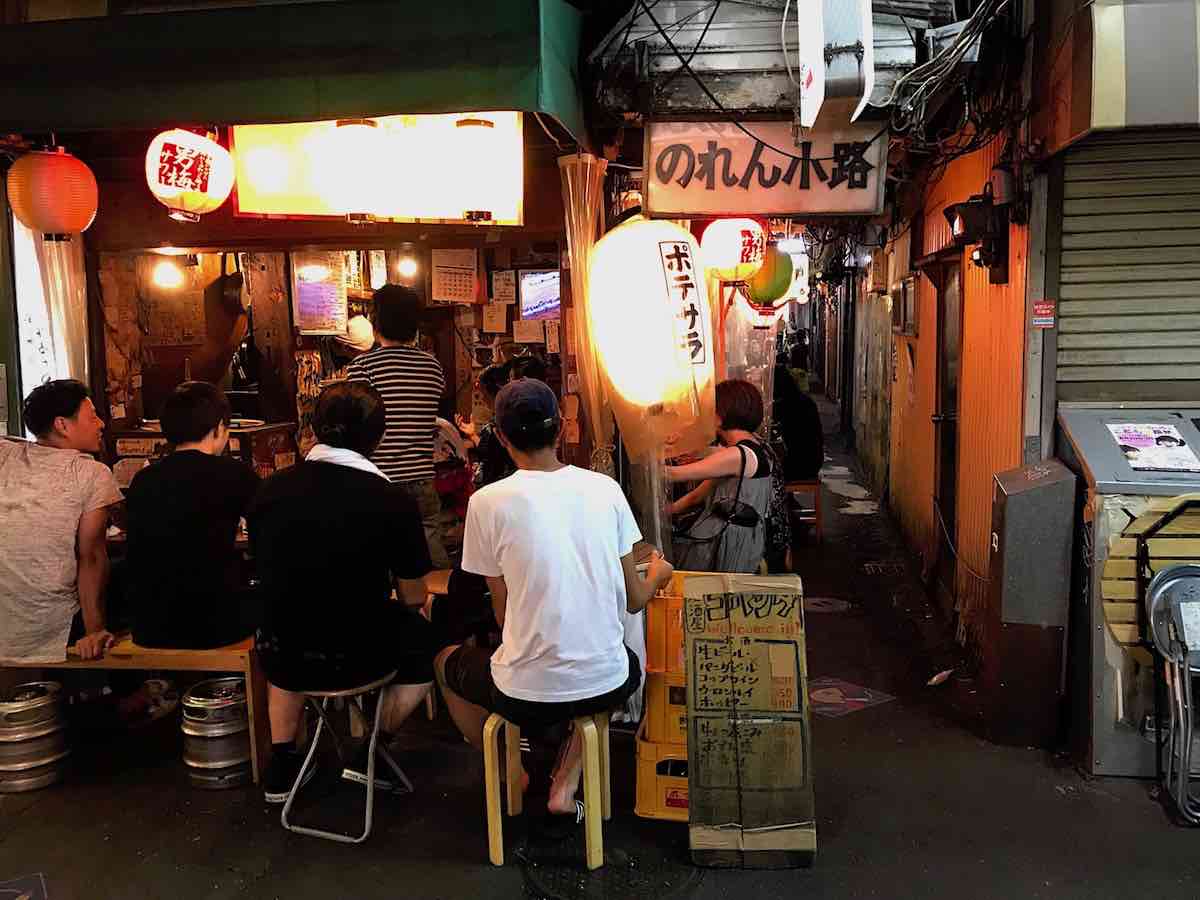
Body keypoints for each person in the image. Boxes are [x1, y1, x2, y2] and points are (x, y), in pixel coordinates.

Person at [434, 379, 674, 826]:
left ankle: (513, 773)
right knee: (615, 667)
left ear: (502, 437)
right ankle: (567, 781)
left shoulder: (486, 503)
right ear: (561, 428)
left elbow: (504, 615)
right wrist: (662, 571)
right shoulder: (605, 490)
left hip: (521, 693)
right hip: (604, 682)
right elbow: (637, 599)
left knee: (446, 662)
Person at [248, 381, 435, 802]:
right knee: (429, 642)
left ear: (314, 428)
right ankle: (369, 749)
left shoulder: (269, 490)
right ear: (378, 437)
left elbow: (267, 571)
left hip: (280, 653)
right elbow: (412, 595)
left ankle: (283, 763)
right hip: (359, 655)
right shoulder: (391, 499)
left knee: (288, 615)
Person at [124, 382, 259, 649]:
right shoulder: (234, 474)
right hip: (214, 626)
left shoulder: (143, 480)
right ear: (220, 427)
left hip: (148, 627)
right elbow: (268, 530)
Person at [0, 380, 123, 662]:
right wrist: (94, 631)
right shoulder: (91, 473)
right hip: (54, 628)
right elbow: (91, 556)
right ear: (62, 425)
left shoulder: (6, 455)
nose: (101, 423)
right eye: (92, 416)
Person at [346, 284, 450, 568]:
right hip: (421, 476)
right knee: (429, 547)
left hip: (378, 478)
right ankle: (440, 607)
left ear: (376, 322)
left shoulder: (362, 367)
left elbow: (355, 421)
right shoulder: (432, 366)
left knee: (380, 556)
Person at [667, 379, 775, 574]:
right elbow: (696, 496)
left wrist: (653, 451)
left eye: (713, 407)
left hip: (731, 540)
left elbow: (674, 474)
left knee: (720, 594)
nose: (710, 413)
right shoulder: (750, 447)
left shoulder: (737, 455)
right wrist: (667, 511)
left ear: (724, 412)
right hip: (741, 535)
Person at [458, 363, 517, 490]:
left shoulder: (503, 421)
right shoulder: (499, 419)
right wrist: (473, 434)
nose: (483, 398)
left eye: (484, 392)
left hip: (503, 486)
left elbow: (494, 454)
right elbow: (489, 449)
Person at [772, 362, 824, 482]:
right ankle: (788, 499)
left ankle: (784, 500)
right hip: (814, 461)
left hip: (801, 466)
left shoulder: (784, 404)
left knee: (766, 473)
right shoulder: (805, 400)